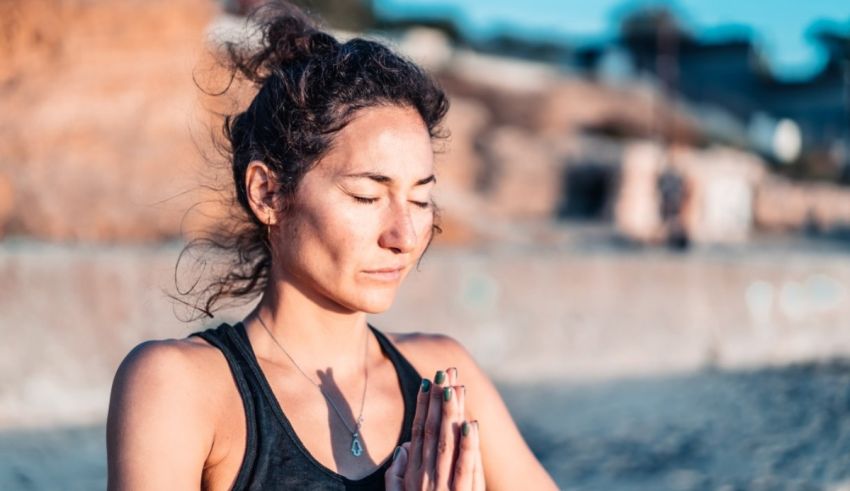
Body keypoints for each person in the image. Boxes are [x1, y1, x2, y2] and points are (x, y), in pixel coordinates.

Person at [106, 3, 558, 490]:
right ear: (268, 193)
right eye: (367, 196)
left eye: (421, 198)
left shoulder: (443, 377)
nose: (404, 237)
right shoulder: (183, 387)